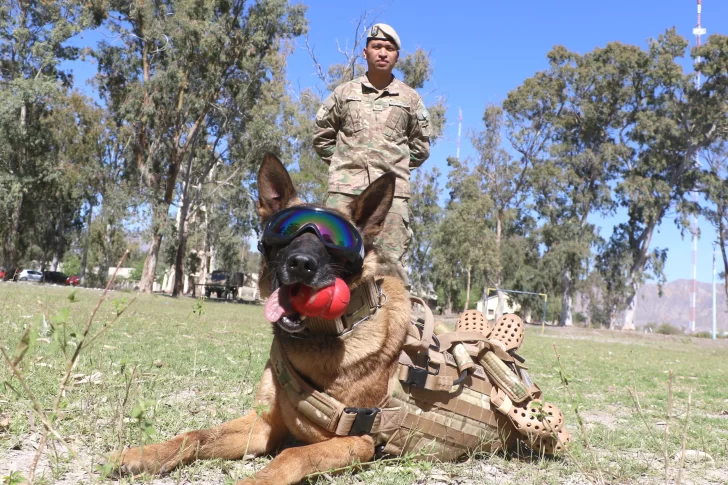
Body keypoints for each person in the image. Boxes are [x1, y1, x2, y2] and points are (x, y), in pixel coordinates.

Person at [313, 23, 431, 286]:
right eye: (376, 47)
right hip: (345, 192)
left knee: (390, 263)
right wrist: (344, 165)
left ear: (397, 57)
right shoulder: (344, 94)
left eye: (389, 48)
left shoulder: (410, 99)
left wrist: (394, 168)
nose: (382, 52)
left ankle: (397, 324)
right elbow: (321, 136)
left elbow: (421, 146)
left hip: (391, 197)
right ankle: (324, 322)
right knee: (332, 254)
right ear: (365, 53)